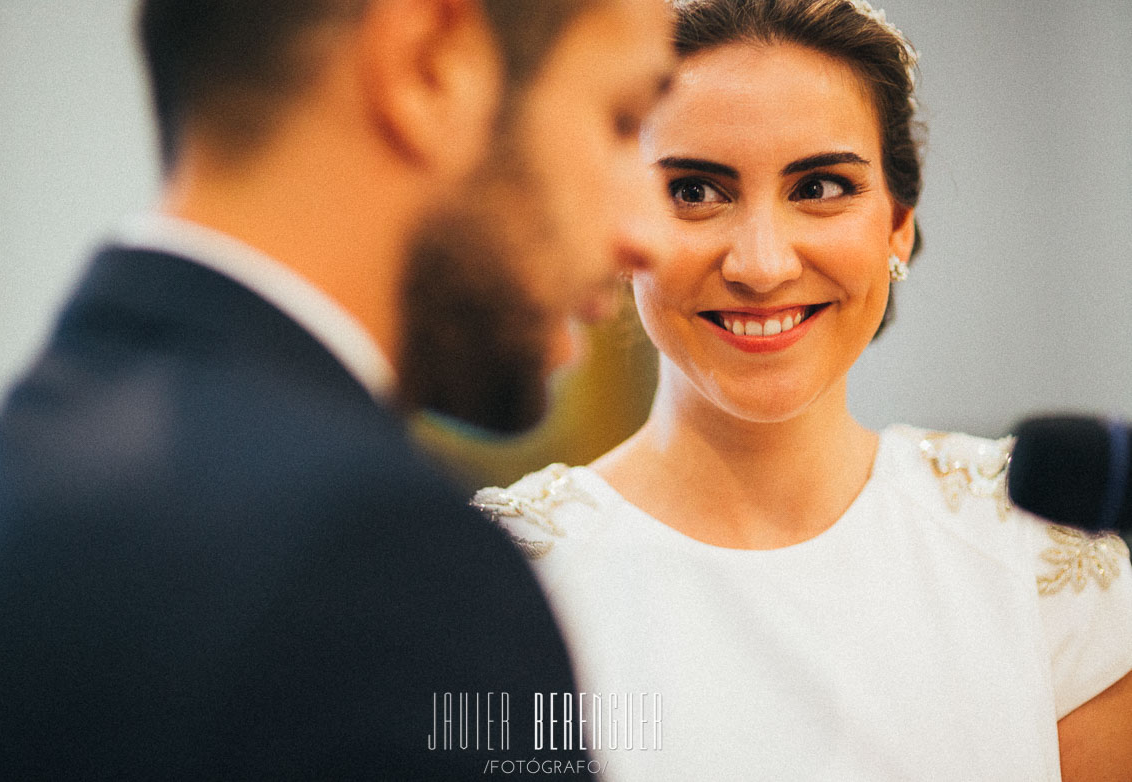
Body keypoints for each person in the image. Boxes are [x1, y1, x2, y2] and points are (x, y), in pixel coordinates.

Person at [0, 0, 674, 778]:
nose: (645, 235)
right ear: (429, 67)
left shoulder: (0, 482)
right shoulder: (384, 562)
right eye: (619, 119)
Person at [475, 1, 1132, 779]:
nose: (761, 265)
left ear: (895, 224)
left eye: (819, 185)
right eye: (693, 190)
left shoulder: (1041, 546)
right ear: (622, 222)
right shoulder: (497, 580)